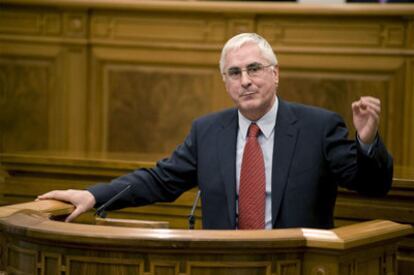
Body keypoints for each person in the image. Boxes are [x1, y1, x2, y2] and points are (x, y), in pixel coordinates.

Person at [38, 33, 393, 230]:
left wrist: (365, 142)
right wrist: (93, 196)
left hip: (296, 263)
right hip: (222, 262)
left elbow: (373, 185)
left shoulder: (318, 126)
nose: (246, 81)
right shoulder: (208, 131)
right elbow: (160, 180)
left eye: (254, 69)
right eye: (235, 73)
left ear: (275, 74)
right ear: (225, 82)